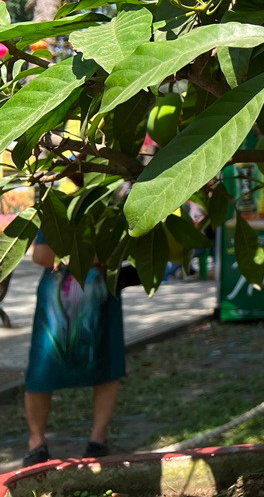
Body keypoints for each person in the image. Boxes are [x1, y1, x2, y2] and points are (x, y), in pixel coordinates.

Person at [21, 194, 126, 466]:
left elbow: (122, 251)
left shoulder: (114, 206)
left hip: (102, 299)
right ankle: (37, 443)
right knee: (41, 369)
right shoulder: (56, 206)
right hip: (57, 306)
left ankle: (98, 439)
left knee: (107, 363)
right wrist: (88, 257)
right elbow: (41, 254)